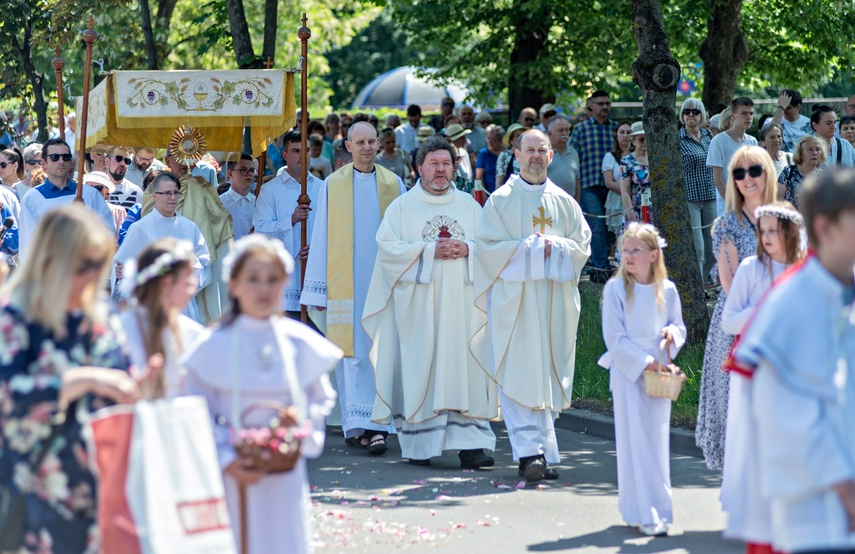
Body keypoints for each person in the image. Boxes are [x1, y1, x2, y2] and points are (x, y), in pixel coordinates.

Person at [183, 235, 342, 554]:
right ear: (234, 284)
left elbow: (319, 398)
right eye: (253, 279)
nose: (263, 289)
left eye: (272, 279)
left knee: (284, 539)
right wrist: (227, 456)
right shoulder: (214, 345)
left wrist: (299, 431)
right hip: (234, 469)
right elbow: (195, 410)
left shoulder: (298, 341)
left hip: (285, 469)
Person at [0, 205, 141, 553]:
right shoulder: (15, 315)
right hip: (37, 485)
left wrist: (140, 384)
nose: (92, 276)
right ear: (51, 261)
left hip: (103, 482)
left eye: (99, 264)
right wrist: (84, 380)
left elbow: (121, 376)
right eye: (83, 266)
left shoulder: (103, 315)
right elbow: (9, 394)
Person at [732, 168, 855, 554]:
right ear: (825, 228)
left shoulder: (842, 288)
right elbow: (784, 411)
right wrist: (845, 487)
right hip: (820, 514)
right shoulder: (790, 303)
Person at [363, 136, 497, 468]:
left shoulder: (470, 206)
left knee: (465, 367)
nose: (440, 170)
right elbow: (388, 251)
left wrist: (469, 249)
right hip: (419, 310)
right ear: (419, 167)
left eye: (446, 164)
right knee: (424, 368)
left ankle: (472, 445)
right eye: (433, 163)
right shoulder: (401, 208)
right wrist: (428, 251)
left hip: (464, 310)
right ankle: (422, 445)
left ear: (455, 167)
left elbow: (491, 248)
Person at [472, 130, 591, 482]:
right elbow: (486, 249)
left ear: (551, 156)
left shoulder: (565, 202)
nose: (536, 156)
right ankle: (528, 454)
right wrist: (531, 248)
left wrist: (557, 247)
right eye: (529, 150)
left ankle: (542, 452)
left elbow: (582, 246)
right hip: (515, 305)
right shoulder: (500, 200)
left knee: (546, 375)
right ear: (517, 155)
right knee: (518, 370)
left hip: (554, 303)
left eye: (542, 150)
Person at [300, 121, 405, 453]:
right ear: (348, 146)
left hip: (383, 281)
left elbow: (403, 233)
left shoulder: (394, 183)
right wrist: (317, 289)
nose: (367, 148)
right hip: (346, 283)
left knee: (380, 351)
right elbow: (321, 235)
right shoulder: (333, 185)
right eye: (360, 143)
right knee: (353, 352)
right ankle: (355, 424)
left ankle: (378, 426)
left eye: (372, 142)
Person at [719, 201, 805, 552]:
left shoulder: (804, 271)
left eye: (774, 230)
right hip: (753, 369)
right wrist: (764, 311)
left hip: (793, 372)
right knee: (753, 443)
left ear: (791, 232)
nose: (767, 237)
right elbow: (729, 320)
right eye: (762, 230)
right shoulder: (751, 269)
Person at [599, 223, 686, 537]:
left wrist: (672, 335)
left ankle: (653, 509)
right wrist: (646, 363)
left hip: (658, 373)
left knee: (656, 442)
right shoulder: (616, 290)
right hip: (629, 372)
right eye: (625, 250)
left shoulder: (668, 289)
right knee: (633, 441)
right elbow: (614, 337)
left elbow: (678, 325)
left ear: (653, 254)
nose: (629, 256)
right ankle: (641, 511)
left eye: (636, 250)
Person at [695, 146, 777, 471]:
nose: (747, 179)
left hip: (781, 321)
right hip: (739, 321)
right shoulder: (727, 224)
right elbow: (729, 284)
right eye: (739, 173)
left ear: (768, 172)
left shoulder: (784, 218)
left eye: (754, 170)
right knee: (738, 406)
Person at [114, 172, 211, 322]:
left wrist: (186, 269)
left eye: (175, 192)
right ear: (155, 196)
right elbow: (122, 267)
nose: (172, 197)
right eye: (167, 193)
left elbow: (204, 263)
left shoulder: (190, 227)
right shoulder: (139, 228)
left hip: (182, 305)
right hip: (150, 303)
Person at [120, 238, 204, 398]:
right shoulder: (122, 331)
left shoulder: (193, 332)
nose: (193, 289)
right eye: (188, 281)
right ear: (166, 284)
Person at [254, 130, 322, 319]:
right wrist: (291, 220)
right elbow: (260, 231)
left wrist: (318, 248)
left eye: (306, 150)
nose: (302, 156)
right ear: (284, 154)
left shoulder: (323, 188)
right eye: (296, 151)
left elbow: (334, 229)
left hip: (315, 272)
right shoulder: (270, 190)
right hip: (285, 280)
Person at [18, 138, 114, 258]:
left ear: (70, 162)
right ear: (44, 163)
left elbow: (106, 233)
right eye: (55, 157)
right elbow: (29, 244)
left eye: (66, 157)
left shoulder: (90, 194)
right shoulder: (31, 199)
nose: (61, 161)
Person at [569, 90, 618, 284]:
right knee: (596, 227)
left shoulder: (615, 128)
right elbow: (572, 156)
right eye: (600, 103)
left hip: (613, 186)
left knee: (611, 229)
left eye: (607, 103)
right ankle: (601, 270)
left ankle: (611, 265)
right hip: (589, 184)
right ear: (591, 105)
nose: (605, 107)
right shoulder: (581, 129)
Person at [679, 99, 717, 280]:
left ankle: (699, 285)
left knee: (714, 250)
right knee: (699, 250)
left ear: (702, 114)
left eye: (695, 111)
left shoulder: (710, 136)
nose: (690, 115)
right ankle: (698, 290)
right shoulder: (677, 139)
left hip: (711, 196)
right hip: (691, 199)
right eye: (686, 111)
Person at [707, 97, 758, 216]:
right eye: (744, 113)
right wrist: (734, 203)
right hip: (728, 209)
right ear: (733, 115)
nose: (748, 117)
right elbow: (717, 179)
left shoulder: (752, 141)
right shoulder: (719, 141)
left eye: (751, 113)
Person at [619, 122, 651, 244]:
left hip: (655, 210)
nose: (645, 142)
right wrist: (631, 215)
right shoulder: (626, 162)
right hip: (636, 210)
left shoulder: (655, 159)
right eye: (641, 139)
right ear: (633, 141)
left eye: (648, 138)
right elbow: (624, 192)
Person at [777, 135, 825, 209]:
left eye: (818, 149)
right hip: (790, 215)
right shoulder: (788, 172)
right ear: (800, 153)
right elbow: (778, 200)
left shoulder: (824, 178)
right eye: (810, 149)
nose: (815, 153)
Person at [602, 122, 632, 239]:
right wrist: (628, 191)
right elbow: (609, 183)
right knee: (620, 237)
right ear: (616, 134)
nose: (625, 135)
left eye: (628, 132)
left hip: (636, 198)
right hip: (618, 200)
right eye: (622, 132)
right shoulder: (610, 156)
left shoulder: (638, 155)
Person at [221, 153, 258, 240]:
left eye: (252, 170)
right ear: (230, 173)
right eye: (243, 170)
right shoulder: (219, 204)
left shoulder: (259, 203)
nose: (249, 174)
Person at [546, 115, 580, 199]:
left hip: (569, 202)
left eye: (567, 130)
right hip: (548, 202)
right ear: (550, 133)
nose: (565, 133)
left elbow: (577, 180)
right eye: (561, 130)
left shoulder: (573, 153)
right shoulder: (543, 153)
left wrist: (577, 203)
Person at [475, 124, 505, 195]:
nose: (490, 141)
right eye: (488, 139)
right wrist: (484, 196)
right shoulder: (483, 153)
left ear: (500, 140)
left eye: (493, 139)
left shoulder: (506, 154)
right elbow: (479, 178)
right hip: (488, 193)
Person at [496, 123, 528, 188]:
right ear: (511, 140)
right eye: (518, 135)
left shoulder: (529, 154)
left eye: (523, 135)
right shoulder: (505, 155)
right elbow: (500, 179)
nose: (521, 138)